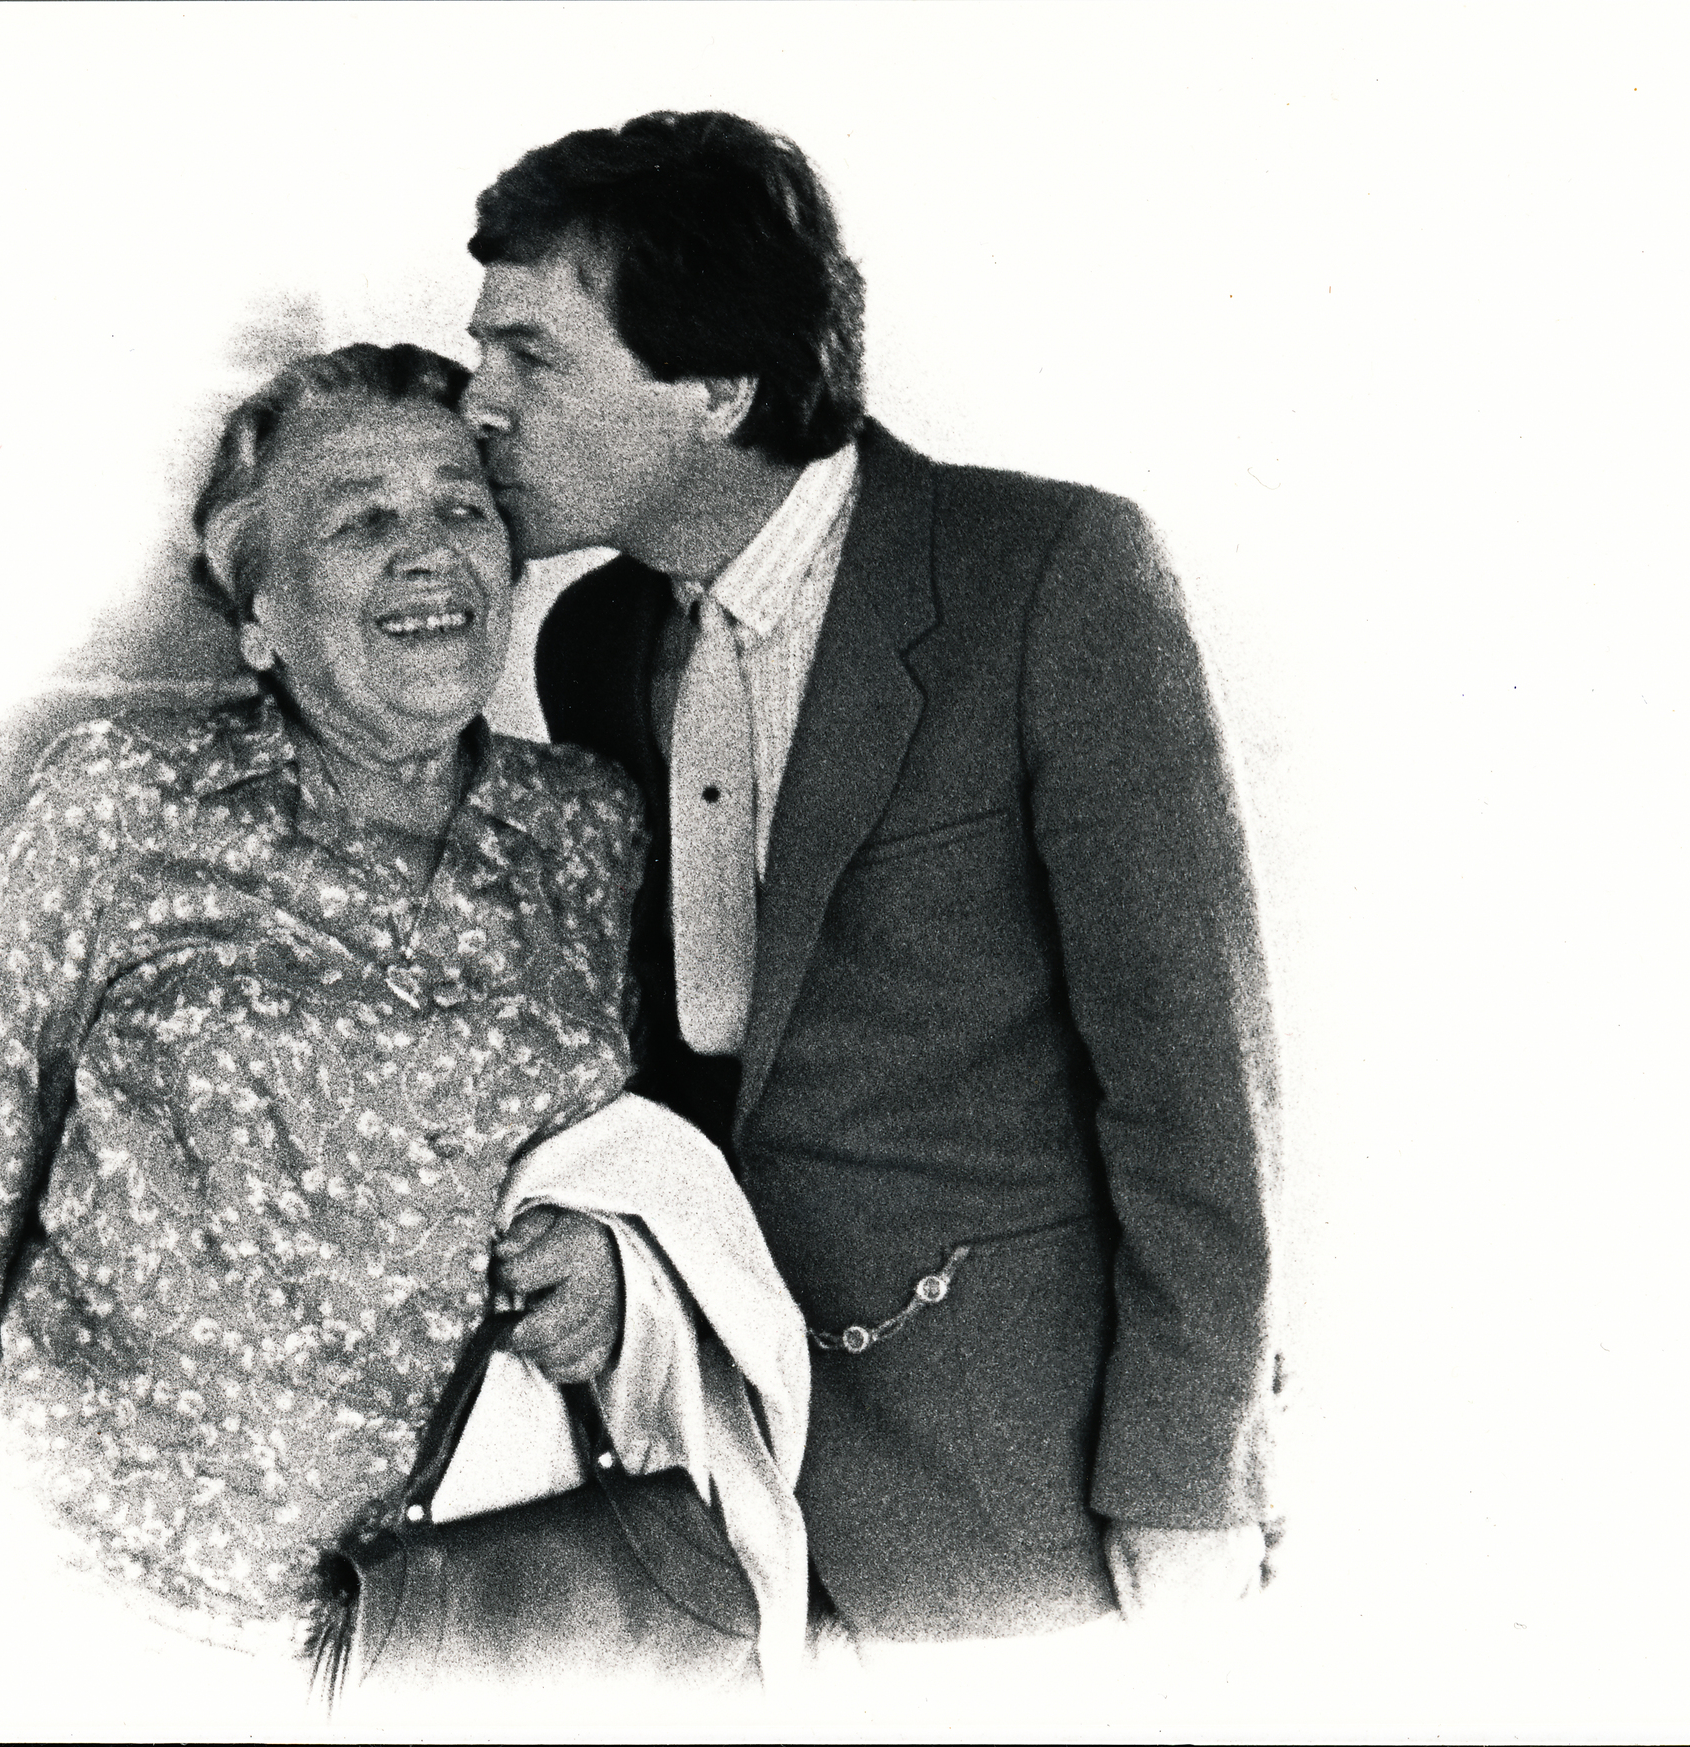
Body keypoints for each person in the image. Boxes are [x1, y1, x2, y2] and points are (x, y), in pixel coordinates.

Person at [461, 111, 1281, 1642]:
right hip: (722, 1475)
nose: (480, 404)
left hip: (1019, 1508)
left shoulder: (1049, 576)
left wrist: (1189, 1490)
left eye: (532, 357)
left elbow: (1195, 1085)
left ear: (717, 389)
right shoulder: (588, 643)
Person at [0, 342, 654, 1655]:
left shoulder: (587, 826)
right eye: (360, 522)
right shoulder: (125, 800)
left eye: (461, 508)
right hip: (103, 1594)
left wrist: (619, 1276)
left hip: (454, 1611)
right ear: (260, 619)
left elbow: (635, 1164)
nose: (428, 552)